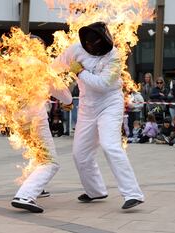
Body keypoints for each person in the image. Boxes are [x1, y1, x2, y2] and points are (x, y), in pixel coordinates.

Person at [52, 22, 145, 209]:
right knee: (80, 153)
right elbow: (54, 68)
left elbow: (102, 84)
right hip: (87, 107)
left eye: (96, 45)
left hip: (110, 104)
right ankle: (95, 191)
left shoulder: (114, 57)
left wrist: (80, 71)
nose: (92, 47)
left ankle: (132, 193)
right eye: (89, 44)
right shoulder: (75, 50)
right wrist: (62, 94)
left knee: (110, 145)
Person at [10, 35, 73, 213]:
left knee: (38, 155)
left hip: (18, 119)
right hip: (35, 117)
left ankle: (37, 187)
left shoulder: (14, 65)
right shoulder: (41, 66)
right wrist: (68, 102)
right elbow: (62, 92)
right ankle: (25, 195)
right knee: (50, 162)